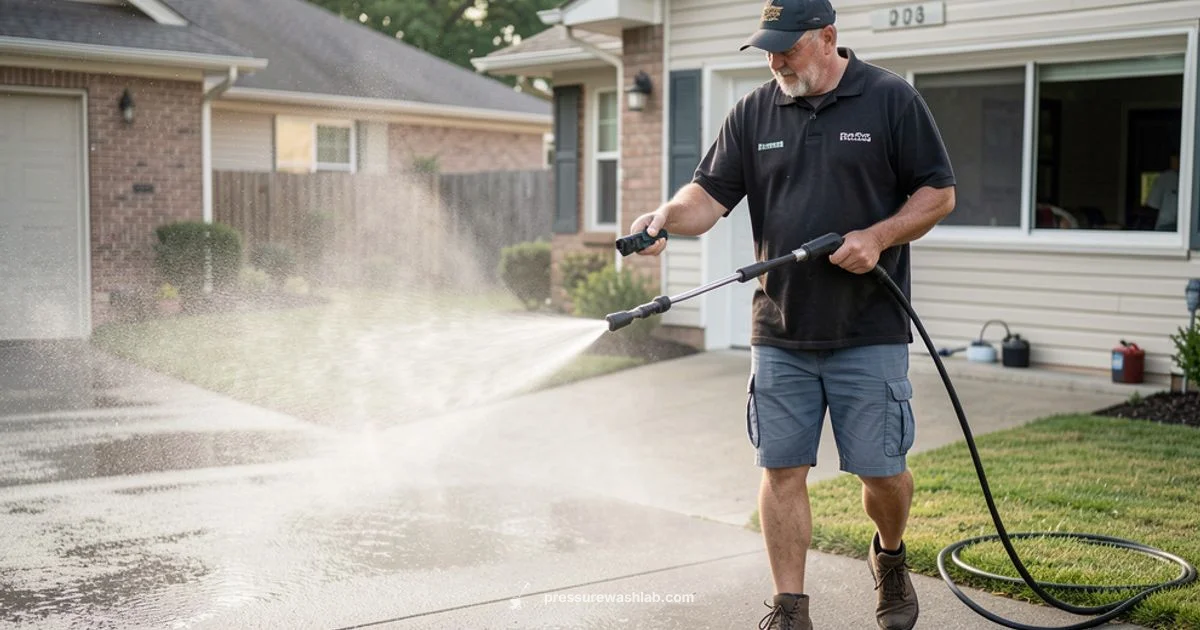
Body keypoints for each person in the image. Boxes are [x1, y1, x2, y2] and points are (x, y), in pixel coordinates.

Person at [624, 0, 956, 628]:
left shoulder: (890, 99)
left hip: (869, 327)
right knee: (782, 471)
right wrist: (666, 216)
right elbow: (707, 197)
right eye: (768, 48)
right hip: (779, 328)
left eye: (788, 47)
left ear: (827, 37)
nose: (776, 60)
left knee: (881, 472)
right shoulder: (754, 110)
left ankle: (889, 556)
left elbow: (939, 193)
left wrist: (879, 237)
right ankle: (790, 607)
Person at [1146, 154, 1179, 232]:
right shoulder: (1164, 178)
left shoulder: (1194, 177)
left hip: (1189, 229)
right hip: (1165, 226)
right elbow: (1152, 206)